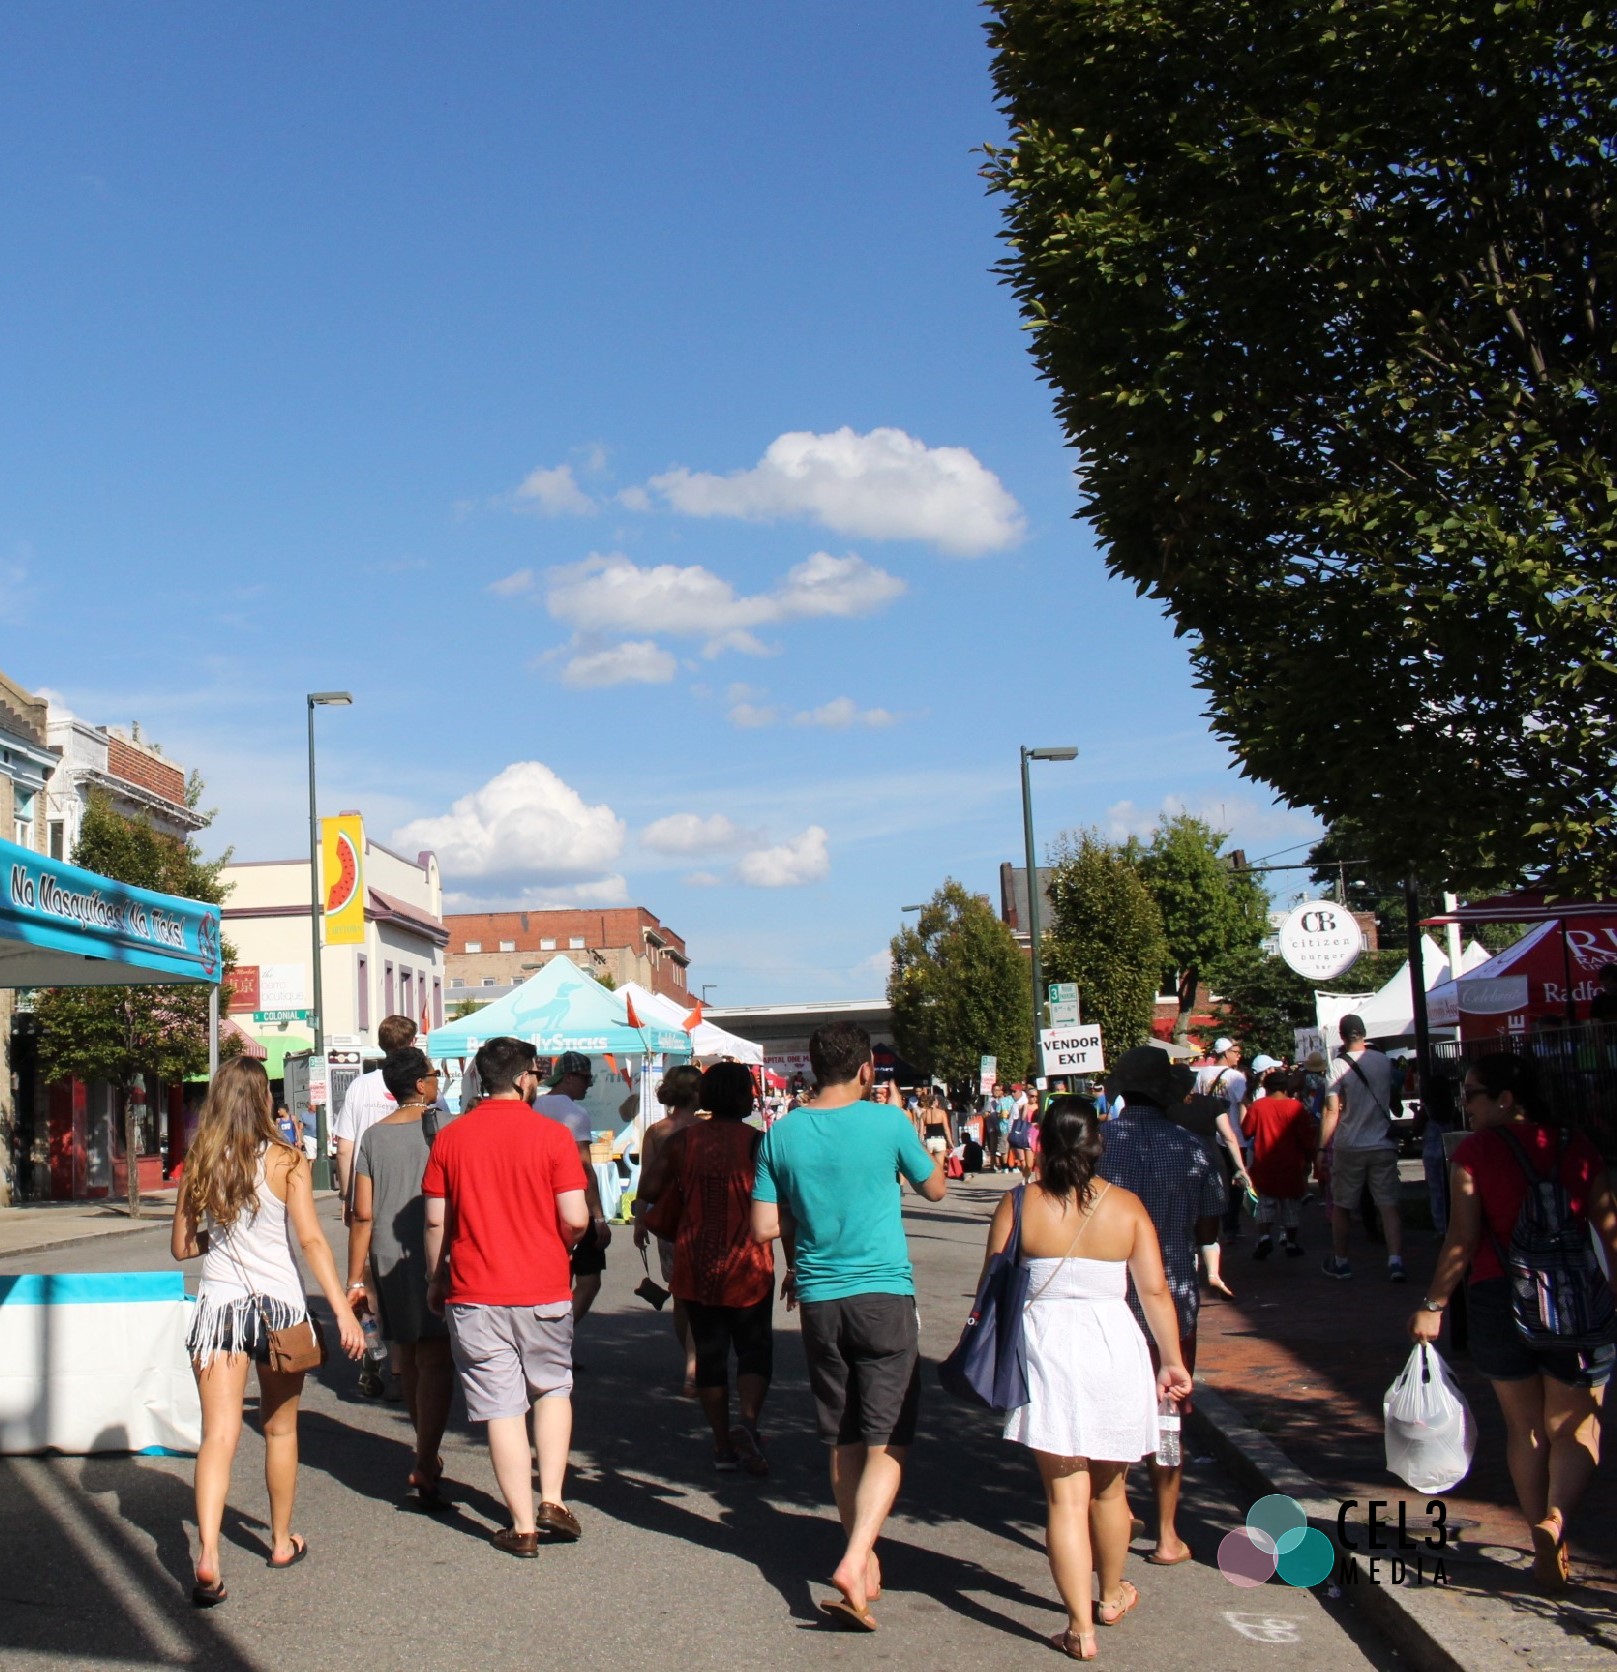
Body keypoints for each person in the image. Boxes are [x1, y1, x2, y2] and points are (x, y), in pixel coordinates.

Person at [751, 1020, 946, 1630]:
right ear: (866, 1068)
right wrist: (923, 1138)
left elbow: (761, 1228)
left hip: (819, 1298)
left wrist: (804, 1228)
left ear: (811, 1069)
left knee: (843, 1435)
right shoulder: (888, 1122)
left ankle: (861, 1567)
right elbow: (937, 1189)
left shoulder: (779, 1136)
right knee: (889, 1435)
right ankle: (856, 1555)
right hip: (884, 1293)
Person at [989, 1096, 1193, 1660]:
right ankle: (1110, 1593)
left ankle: (1080, 1627)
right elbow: (1154, 1291)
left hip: (1047, 1347)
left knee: (1063, 1496)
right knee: (1109, 1487)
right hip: (1113, 1346)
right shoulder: (1126, 1207)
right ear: (1096, 1143)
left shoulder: (1019, 1206)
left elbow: (993, 1289)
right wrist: (1171, 1360)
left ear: (1042, 1142)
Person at [1410, 1054, 1617, 1590]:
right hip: (1575, 1301)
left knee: (1524, 1428)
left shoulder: (1474, 1153)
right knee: (1577, 1425)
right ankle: (1558, 1519)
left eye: (1473, 1094)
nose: (1465, 1104)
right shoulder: (1575, 1146)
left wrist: (1433, 1305)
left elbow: (1462, 1239)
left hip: (1497, 1297)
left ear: (1505, 1099)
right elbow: (1609, 1228)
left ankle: (1540, 1540)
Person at [170, 1058, 365, 1606]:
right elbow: (310, 1241)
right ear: (263, 1100)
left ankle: (207, 1554)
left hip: (220, 1311)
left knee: (219, 1435)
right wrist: (343, 1310)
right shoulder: (288, 1160)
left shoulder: (201, 1161)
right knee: (280, 1431)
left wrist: (221, 1243)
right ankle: (280, 1541)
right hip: (279, 1310)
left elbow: (182, 1248)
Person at [423, 1036, 589, 1555]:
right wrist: (560, 1243)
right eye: (536, 1073)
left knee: (500, 1406)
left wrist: (436, 1276)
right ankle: (554, 1499)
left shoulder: (451, 1138)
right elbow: (578, 1217)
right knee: (552, 1388)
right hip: (542, 1283)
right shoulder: (553, 1136)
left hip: (474, 1289)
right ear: (522, 1078)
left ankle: (520, 1526)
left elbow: (434, 1219)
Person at [1095, 1045, 1226, 1567]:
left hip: (1107, 1299)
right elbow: (1209, 1227)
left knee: (1110, 1411)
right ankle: (1168, 1532)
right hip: (1173, 1303)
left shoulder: (1099, 1145)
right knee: (1168, 1417)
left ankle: (1118, 1505)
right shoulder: (1194, 1149)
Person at [641, 1062, 776, 1473]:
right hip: (750, 1262)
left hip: (697, 1262)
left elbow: (648, 1189)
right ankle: (748, 1423)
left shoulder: (682, 1142)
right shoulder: (759, 1144)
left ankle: (722, 1445)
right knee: (754, 1350)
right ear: (744, 1098)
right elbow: (782, 1203)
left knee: (711, 1354)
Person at [346, 1047, 455, 1511]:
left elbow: (362, 1213)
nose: (436, 1081)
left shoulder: (372, 1136)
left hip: (387, 1254)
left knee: (407, 1355)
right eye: (433, 1075)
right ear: (423, 1084)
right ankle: (426, 1457)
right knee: (436, 1360)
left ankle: (423, 1446)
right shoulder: (447, 1129)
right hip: (436, 1250)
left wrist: (354, 1279)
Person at [633, 1063, 705, 1395]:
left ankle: (691, 1361)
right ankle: (697, 1361)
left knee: (681, 1295)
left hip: (668, 1222)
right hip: (704, 1219)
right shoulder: (706, 1129)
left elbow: (646, 1181)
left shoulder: (657, 1130)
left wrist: (639, 1221)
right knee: (701, 1295)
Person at [1319, 1014, 1406, 1282]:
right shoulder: (1383, 1062)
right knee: (1388, 1204)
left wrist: (1322, 1148)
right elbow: (1394, 1098)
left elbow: (1332, 1110)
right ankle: (1395, 1261)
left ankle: (1342, 1261)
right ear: (1364, 1033)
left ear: (1342, 1037)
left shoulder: (1337, 1066)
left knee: (1343, 1205)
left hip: (1349, 1144)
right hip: (1382, 1142)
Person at [532, 1051, 614, 1326]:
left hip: (541, 1202)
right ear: (569, 1077)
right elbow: (584, 1168)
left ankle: (552, 1340)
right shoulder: (575, 1113)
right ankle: (561, 1337)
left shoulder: (534, 1106)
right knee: (589, 1280)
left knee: (554, 1279)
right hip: (573, 1200)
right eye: (585, 1078)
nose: (589, 1084)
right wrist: (599, 1217)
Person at [1166, 1065, 1249, 1298]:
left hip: (1178, 1167)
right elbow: (1229, 1137)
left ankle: (1191, 1276)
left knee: (1185, 1224)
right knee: (1210, 1222)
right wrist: (1240, 1168)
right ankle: (1213, 1273)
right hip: (1212, 1164)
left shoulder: (1166, 1108)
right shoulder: (1211, 1104)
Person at [1243, 1068, 1316, 1259]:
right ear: (1286, 1087)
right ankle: (1291, 1242)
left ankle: (1265, 1236)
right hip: (1292, 1163)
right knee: (1291, 1205)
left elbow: (1247, 1131)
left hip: (1264, 1162)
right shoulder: (1296, 1108)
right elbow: (1306, 1138)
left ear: (1266, 1087)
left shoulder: (1258, 1106)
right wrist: (1310, 1158)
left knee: (1265, 1203)